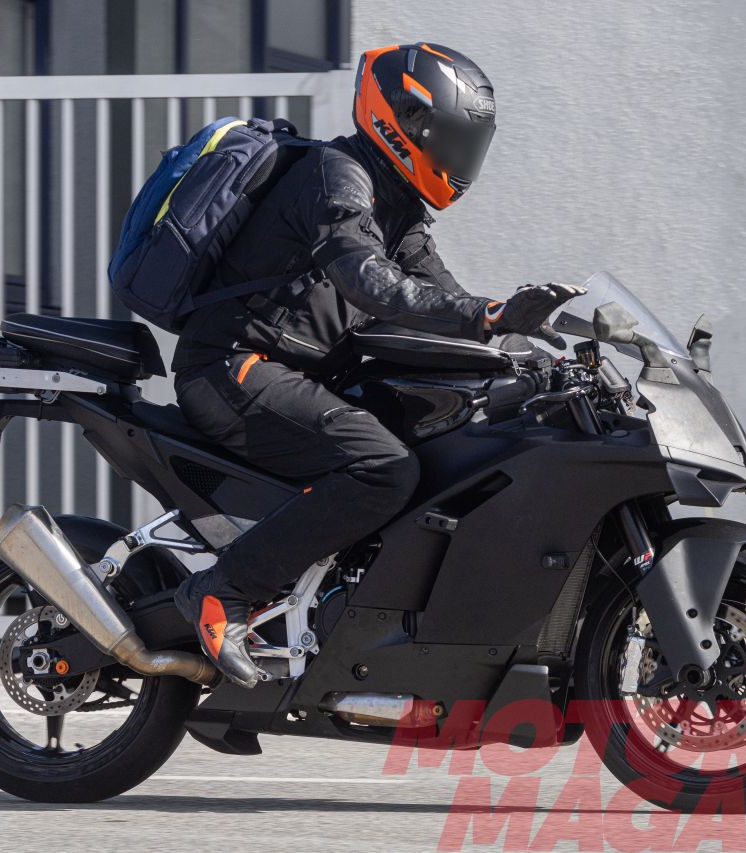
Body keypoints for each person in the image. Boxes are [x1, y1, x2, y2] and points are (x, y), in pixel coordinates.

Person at [173, 43, 579, 687]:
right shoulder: (337, 176)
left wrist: (532, 357)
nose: (459, 157)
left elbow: (443, 301)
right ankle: (222, 591)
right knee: (383, 468)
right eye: (450, 138)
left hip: (304, 376)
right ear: (404, 122)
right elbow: (369, 281)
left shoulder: (400, 208)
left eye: (469, 144)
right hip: (234, 368)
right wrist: (492, 315)